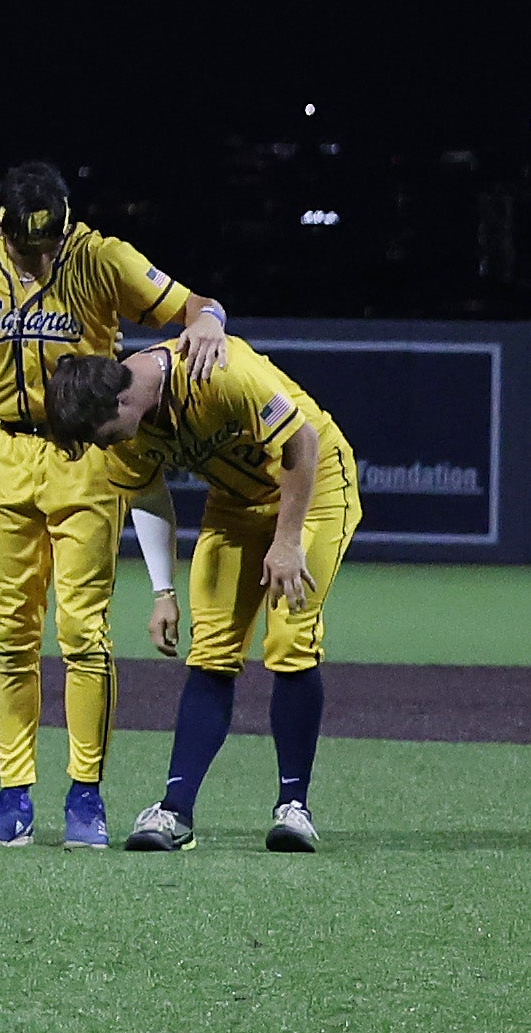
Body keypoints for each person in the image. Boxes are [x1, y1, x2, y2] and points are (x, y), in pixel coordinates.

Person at [0, 161, 228, 849]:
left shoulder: (101, 257)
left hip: (86, 456)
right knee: (9, 630)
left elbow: (193, 304)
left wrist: (210, 321)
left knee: (82, 631)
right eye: (25, 245)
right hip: (5, 450)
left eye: (50, 244)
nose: (40, 258)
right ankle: (13, 799)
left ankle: (85, 796)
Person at [29, 332, 353, 851]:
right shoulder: (123, 429)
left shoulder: (217, 372)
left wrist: (288, 541)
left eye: (103, 433)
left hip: (312, 489)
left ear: (120, 400)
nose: (104, 445)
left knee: (290, 640)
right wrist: (163, 592)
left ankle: (294, 807)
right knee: (212, 652)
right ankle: (174, 812)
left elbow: (302, 442)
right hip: (236, 505)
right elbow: (147, 495)